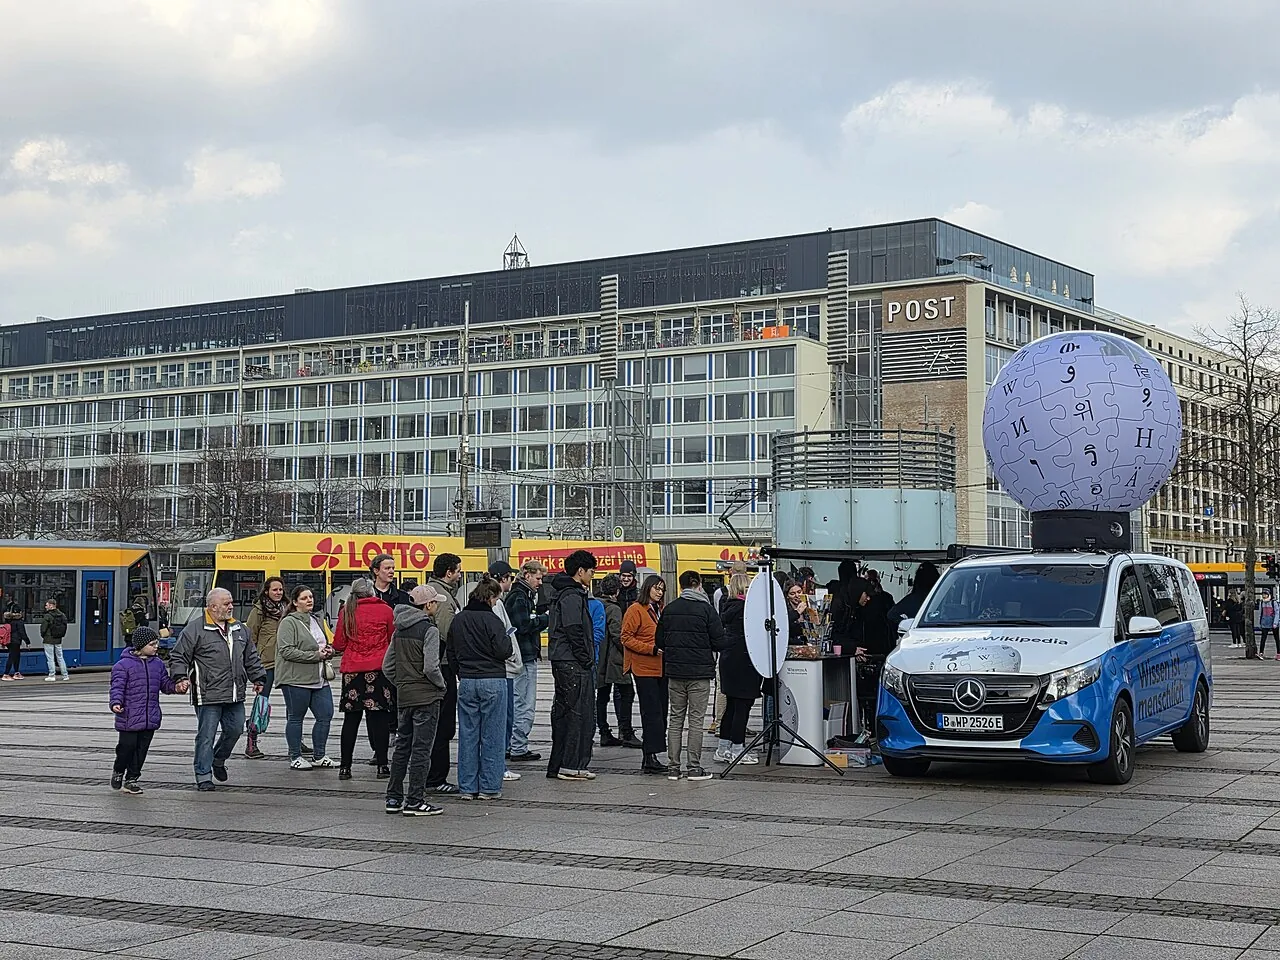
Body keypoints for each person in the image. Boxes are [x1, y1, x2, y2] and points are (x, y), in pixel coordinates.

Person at [169, 587, 267, 792]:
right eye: (226, 603)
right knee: (206, 735)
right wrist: (179, 678)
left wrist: (258, 677)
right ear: (212, 607)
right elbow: (179, 656)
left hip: (234, 693)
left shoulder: (240, 629)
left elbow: (250, 656)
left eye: (230, 602)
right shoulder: (195, 629)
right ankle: (203, 775)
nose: (231, 606)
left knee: (235, 729)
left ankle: (218, 759)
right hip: (207, 694)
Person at [655, 570, 726, 781]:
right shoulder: (706, 610)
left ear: (681, 585)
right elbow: (720, 641)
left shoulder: (669, 609)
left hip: (675, 673)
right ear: (698, 584)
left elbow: (659, 641)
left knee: (675, 719)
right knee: (696, 720)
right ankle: (694, 767)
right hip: (699, 674)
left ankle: (673, 768)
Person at [383, 583, 447, 816]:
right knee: (421, 749)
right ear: (427, 604)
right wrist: (441, 684)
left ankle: (393, 798)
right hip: (426, 696)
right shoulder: (429, 630)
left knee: (402, 747)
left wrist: (402, 683)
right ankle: (415, 800)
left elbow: (387, 666)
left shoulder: (399, 630)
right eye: (435, 602)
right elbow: (431, 666)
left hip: (405, 696)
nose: (437, 606)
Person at [448, 577, 511, 800]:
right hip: (493, 680)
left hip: (467, 681)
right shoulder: (492, 620)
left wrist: (460, 672)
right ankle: (489, 787)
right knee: (492, 735)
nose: (496, 604)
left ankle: (467, 787)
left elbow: (451, 652)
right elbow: (504, 651)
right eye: (495, 599)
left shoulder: (459, 619)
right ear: (490, 597)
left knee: (468, 735)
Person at [109, 627, 188, 794]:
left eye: (156, 643)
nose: (156, 647)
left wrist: (176, 687)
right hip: (129, 717)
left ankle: (132, 779)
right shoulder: (123, 666)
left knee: (141, 751)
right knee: (126, 747)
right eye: (152, 644)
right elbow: (117, 687)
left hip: (149, 717)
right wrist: (116, 702)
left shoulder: (157, 664)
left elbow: (164, 684)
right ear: (140, 645)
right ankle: (118, 769)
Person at [332, 578, 396, 780]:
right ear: (372, 592)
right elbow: (392, 639)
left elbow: (340, 644)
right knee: (379, 719)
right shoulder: (386, 611)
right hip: (379, 670)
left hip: (353, 671)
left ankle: (345, 767)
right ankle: (382, 765)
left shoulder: (347, 611)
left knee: (351, 720)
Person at [546, 549, 597, 782]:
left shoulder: (565, 593)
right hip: (572, 662)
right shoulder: (572, 596)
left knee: (567, 712)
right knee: (578, 713)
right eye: (591, 571)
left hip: (565, 659)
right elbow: (574, 629)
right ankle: (571, 764)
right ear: (580, 571)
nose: (593, 575)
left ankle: (561, 764)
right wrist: (586, 657)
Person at [275, 585, 338, 771]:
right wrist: (316, 655)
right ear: (295, 602)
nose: (309, 600)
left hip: (319, 677)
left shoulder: (316, 620)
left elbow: (323, 644)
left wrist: (329, 651)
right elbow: (286, 651)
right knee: (296, 718)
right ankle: (295, 756)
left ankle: (319, 755)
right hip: (296, 678)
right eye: (304, 598)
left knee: (325, 714)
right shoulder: (289, 622)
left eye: (310, 597)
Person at [425, 553, 464, 795]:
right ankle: (437, 777)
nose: (460, 575)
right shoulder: (443, 599)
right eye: (458, 571)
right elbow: (447, 634)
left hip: (435, 665)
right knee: (443, 725)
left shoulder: (429, 590)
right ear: (448, 572)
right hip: (444, 665)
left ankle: (431, 775)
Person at [715, 573, 761, 764]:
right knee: (742, 707)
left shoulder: (728, 608)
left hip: (728, 661)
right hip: (745, 661)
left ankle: (723, 748)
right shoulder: (747, 609)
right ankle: (737, 749)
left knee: (732, 707)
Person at [623, 575, 667, 774]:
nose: (659, 592)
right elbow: (625, 637)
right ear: (647, 588)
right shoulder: (635, 610)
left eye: (662, 589)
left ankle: (654, 753)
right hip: (643, 668)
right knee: (651, 712)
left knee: (661, 711)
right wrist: (649, 649)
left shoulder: (659, 610)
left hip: (660, 668)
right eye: (656, 588)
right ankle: (649, 757)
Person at [506, 560, 548, 763]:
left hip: (521, 655)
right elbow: (523, 626)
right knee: (524, 703)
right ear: (527, 575)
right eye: (538, 578)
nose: (540, 582)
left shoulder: (520, 595)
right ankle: (518, 746)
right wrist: (545, 619)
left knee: (517, 701)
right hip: (524, 656)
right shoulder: (521, 597)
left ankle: (511, 745)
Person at [487, 561, 524, 785]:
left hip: (498, 669)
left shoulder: (494, 603)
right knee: (503, 719)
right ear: (503, 579)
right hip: (503, 671)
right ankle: (498, 765)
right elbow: (502, 637)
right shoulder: (496, 604)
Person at [595, 575, 640, 749]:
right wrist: (629, 652)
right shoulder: (613, 608)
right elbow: (618, 635)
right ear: (617, 591)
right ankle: (626, 732)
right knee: (627, 693)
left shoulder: (596, 603)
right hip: (614, 660)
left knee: (602, 696)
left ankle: (604, 732)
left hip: (600, 659)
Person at [244, 576, 286, 759]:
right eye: (275, 590)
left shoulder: (288, 609)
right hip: (266, 662)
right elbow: (250, 637)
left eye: (281, 590)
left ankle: (296, 739)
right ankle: (251, 740)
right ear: (266, 591)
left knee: (294, 704)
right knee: (262, 701)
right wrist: (252, 665)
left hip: (286, 662)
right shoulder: (259, 611)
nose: (278, 593)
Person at [886, 561, 941, 630]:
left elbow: (891, 614)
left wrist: (907, 623)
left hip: (917, 634)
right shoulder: (942, 599)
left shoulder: (911, 599)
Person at [39, 598, 70, 682]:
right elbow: (65, 626)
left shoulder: (48, 616)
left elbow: (43, 629)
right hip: (58, 639)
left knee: (50, 658)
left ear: (51, 605)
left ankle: (52, 675)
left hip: (48, 640)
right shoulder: (62, 615)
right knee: (60, 657)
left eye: (47, 605)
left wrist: (43, 636)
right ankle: (65, 675)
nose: (45, 607)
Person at [1, 602, 27, 680]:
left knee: (16, 657)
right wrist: (27, 641)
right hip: (15, 641)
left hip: (9, 641)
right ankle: (6, 674)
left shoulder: (9, 620)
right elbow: (22, 633)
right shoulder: (19, 622)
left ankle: (16, 673)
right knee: (12, 657)